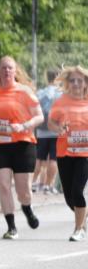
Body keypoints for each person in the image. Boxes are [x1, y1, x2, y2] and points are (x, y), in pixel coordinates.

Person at [0, 56, 44, 239]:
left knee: (23, 190)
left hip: (23, 144)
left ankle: (27, 207)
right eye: (4, 68)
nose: (7, 71)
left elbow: (40, 117)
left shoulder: (24, 92)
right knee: (3, 185)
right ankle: (11, 227)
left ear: (15, 71)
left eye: (10, 68)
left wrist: (24, 125)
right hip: (0, 144)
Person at [47, 65, 88, 242]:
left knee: (77, 191)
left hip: (85, 154)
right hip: (64, 153)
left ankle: (78, 229)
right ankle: (83, 216)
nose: (76, 83)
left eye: (80, 80)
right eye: (73, 80)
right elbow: (51, 123)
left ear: (86, 82)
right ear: (67, 83)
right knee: (69, 197)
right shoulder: (61, 102)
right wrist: (59, 128)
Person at [33, 69, 62, 193]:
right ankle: (48, 185)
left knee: (40, 159)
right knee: (53, 159)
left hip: (41, 131)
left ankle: (34, 182)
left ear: (47, 77)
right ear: (58, 77)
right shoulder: (60, 93)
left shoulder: (40, 93)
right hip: (55, 130)